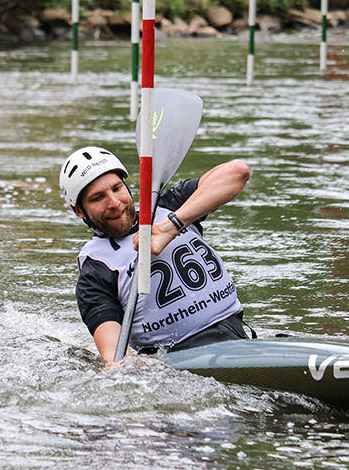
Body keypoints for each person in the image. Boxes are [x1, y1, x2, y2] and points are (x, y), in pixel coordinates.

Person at [60, 146, 251, 365]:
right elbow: (116, 359)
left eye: (117, 188)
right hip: (185, 364)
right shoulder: (96, 272)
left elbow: (238, 172)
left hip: (237, 336)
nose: (114, 203)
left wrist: (172, 226)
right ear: (80, 211)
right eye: (98, 198)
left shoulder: (169, 208)